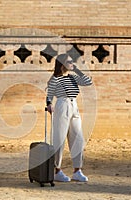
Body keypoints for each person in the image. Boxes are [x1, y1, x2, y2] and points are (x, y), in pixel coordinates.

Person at [46, 53, 92, 182]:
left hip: (74, 106)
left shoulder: (72, 77)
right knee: (59, 139)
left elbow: (88, 81)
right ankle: (57, 170)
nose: (72, 63)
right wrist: (49, 104)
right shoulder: (55, 78)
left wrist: (76, 69)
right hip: (62, 106)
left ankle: (77, 170)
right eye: (69, 62)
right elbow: (49, 94)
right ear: (62, 65)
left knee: (78, 138)